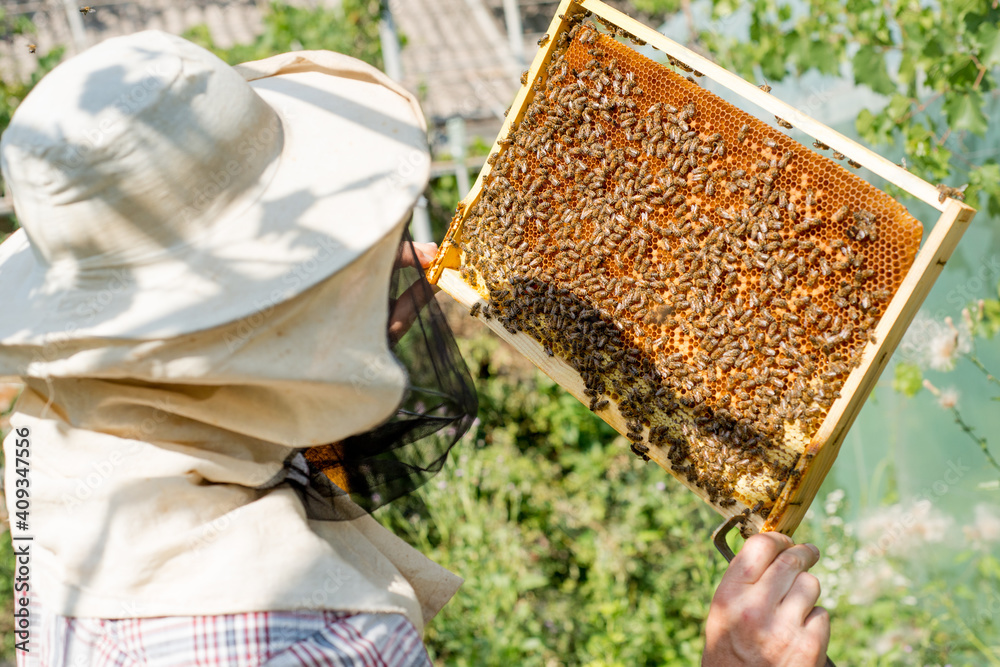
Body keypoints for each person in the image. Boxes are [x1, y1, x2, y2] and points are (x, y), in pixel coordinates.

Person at [0, 31, 829, 666]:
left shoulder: (59, 445)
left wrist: (342, 314)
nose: (408, 267)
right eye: (343, 260)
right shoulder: (325, 639)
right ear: (244, 322)